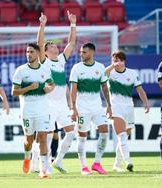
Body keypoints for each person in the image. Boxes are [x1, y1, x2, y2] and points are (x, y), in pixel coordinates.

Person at [37, 11, 76, 173]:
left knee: (71, 133)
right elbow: (39, 43)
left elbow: (72, 43)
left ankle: (58, 161)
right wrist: (42, 24)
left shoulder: (61, 60)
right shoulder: (44, 62)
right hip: (48, 104)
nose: (55, 46)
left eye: (55, 45)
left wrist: (72, 24)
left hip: (62, 105)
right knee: (46, 135)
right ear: (45, 51)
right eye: (51, 46)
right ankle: (43, 165)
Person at [11, 43, 55, 178]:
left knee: (42, 137)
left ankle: (43, 169)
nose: (28, 54)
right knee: (28, 141)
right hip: (27, 110)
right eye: (27, 52)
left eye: (31, 52)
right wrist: (29, 88)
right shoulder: (21, 70)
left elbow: (52, 84)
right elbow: (14, 92)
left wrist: (49, 88)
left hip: (43, 109)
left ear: (37, 53)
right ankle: (26, 158)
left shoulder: (45, 70)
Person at [69, 42, 112, 175]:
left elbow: (104, 87)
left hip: (97, 106)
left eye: (84, 52)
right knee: (82, 136)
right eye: (81, 52)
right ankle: (83, 167)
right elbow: (73, 91)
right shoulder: (76, 68)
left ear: (92, 52)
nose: (81, 54)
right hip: (82, 108)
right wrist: (73, 109)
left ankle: (97, 163)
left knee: (105, 131)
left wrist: (109, 106)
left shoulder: (100, 67)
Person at [105, 50, 150, 172]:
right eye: (114, 60)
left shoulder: (132, 73)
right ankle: (128, 162)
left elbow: (140, 90)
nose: (116, 62)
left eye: (118, 60)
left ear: (123, 61)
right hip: (115, 108)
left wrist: (146, 103)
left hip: (129, 107)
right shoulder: (110, 73)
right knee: (122, 137)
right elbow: (102, 74)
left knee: (124, 138)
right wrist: (112, 66)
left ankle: (116, 164)